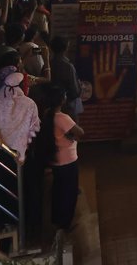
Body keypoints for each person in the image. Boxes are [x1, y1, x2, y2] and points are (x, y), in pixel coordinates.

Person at [48, 85, 85, 231]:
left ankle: (56, 220)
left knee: (58, 190)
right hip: (67, 160)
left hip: (55, 160)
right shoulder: (61, 118)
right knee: (69, 193)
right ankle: (65, 224)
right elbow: (80, 132)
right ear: (61, 100)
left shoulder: (46, 115)